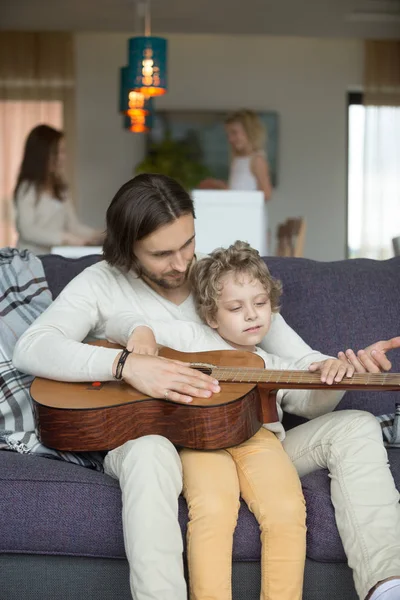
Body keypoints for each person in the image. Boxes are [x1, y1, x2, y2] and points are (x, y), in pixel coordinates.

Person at [13, 173, 400, 600]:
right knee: (149, 451)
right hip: (162, 438)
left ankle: (386, 584)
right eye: (162, 253)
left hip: (244, 435)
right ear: (127, 249)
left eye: (187, 243)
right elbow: (32, 348)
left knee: (357, 425)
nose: (181, 264)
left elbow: (299, 368)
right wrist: (126, 364)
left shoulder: (220, 284)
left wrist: (339, 369)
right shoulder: (101, 283)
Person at [105, 240, 356, 600]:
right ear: (211, 316)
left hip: (259, 439)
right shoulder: (189, 337)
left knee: (287, 510)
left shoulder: (272, 362)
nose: (252, 315)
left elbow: (308, 401)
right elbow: (116, 322)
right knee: (214, 508)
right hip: (198, 441)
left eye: (260, 303)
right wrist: (138, 331)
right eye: (236, 307)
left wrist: (333, 375)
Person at [14, 124, 103, 255]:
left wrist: (98, 234)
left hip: (54, 258)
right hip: (29, 261)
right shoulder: (27, 188)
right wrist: (65, 238)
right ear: (43, 154)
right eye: (59, 152)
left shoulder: (61, 189)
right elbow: (27, 230)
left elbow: (73, 226)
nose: (63, 157)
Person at [199, 109, 272, 202]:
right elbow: (238, 190)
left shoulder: (257, 160)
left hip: (249, 214)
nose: (230, 139)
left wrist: (222, 187)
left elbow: (267, 194)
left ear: (249, 131)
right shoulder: (237, 159)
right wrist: (219, 185)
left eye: (234, 132)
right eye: (228, 135)